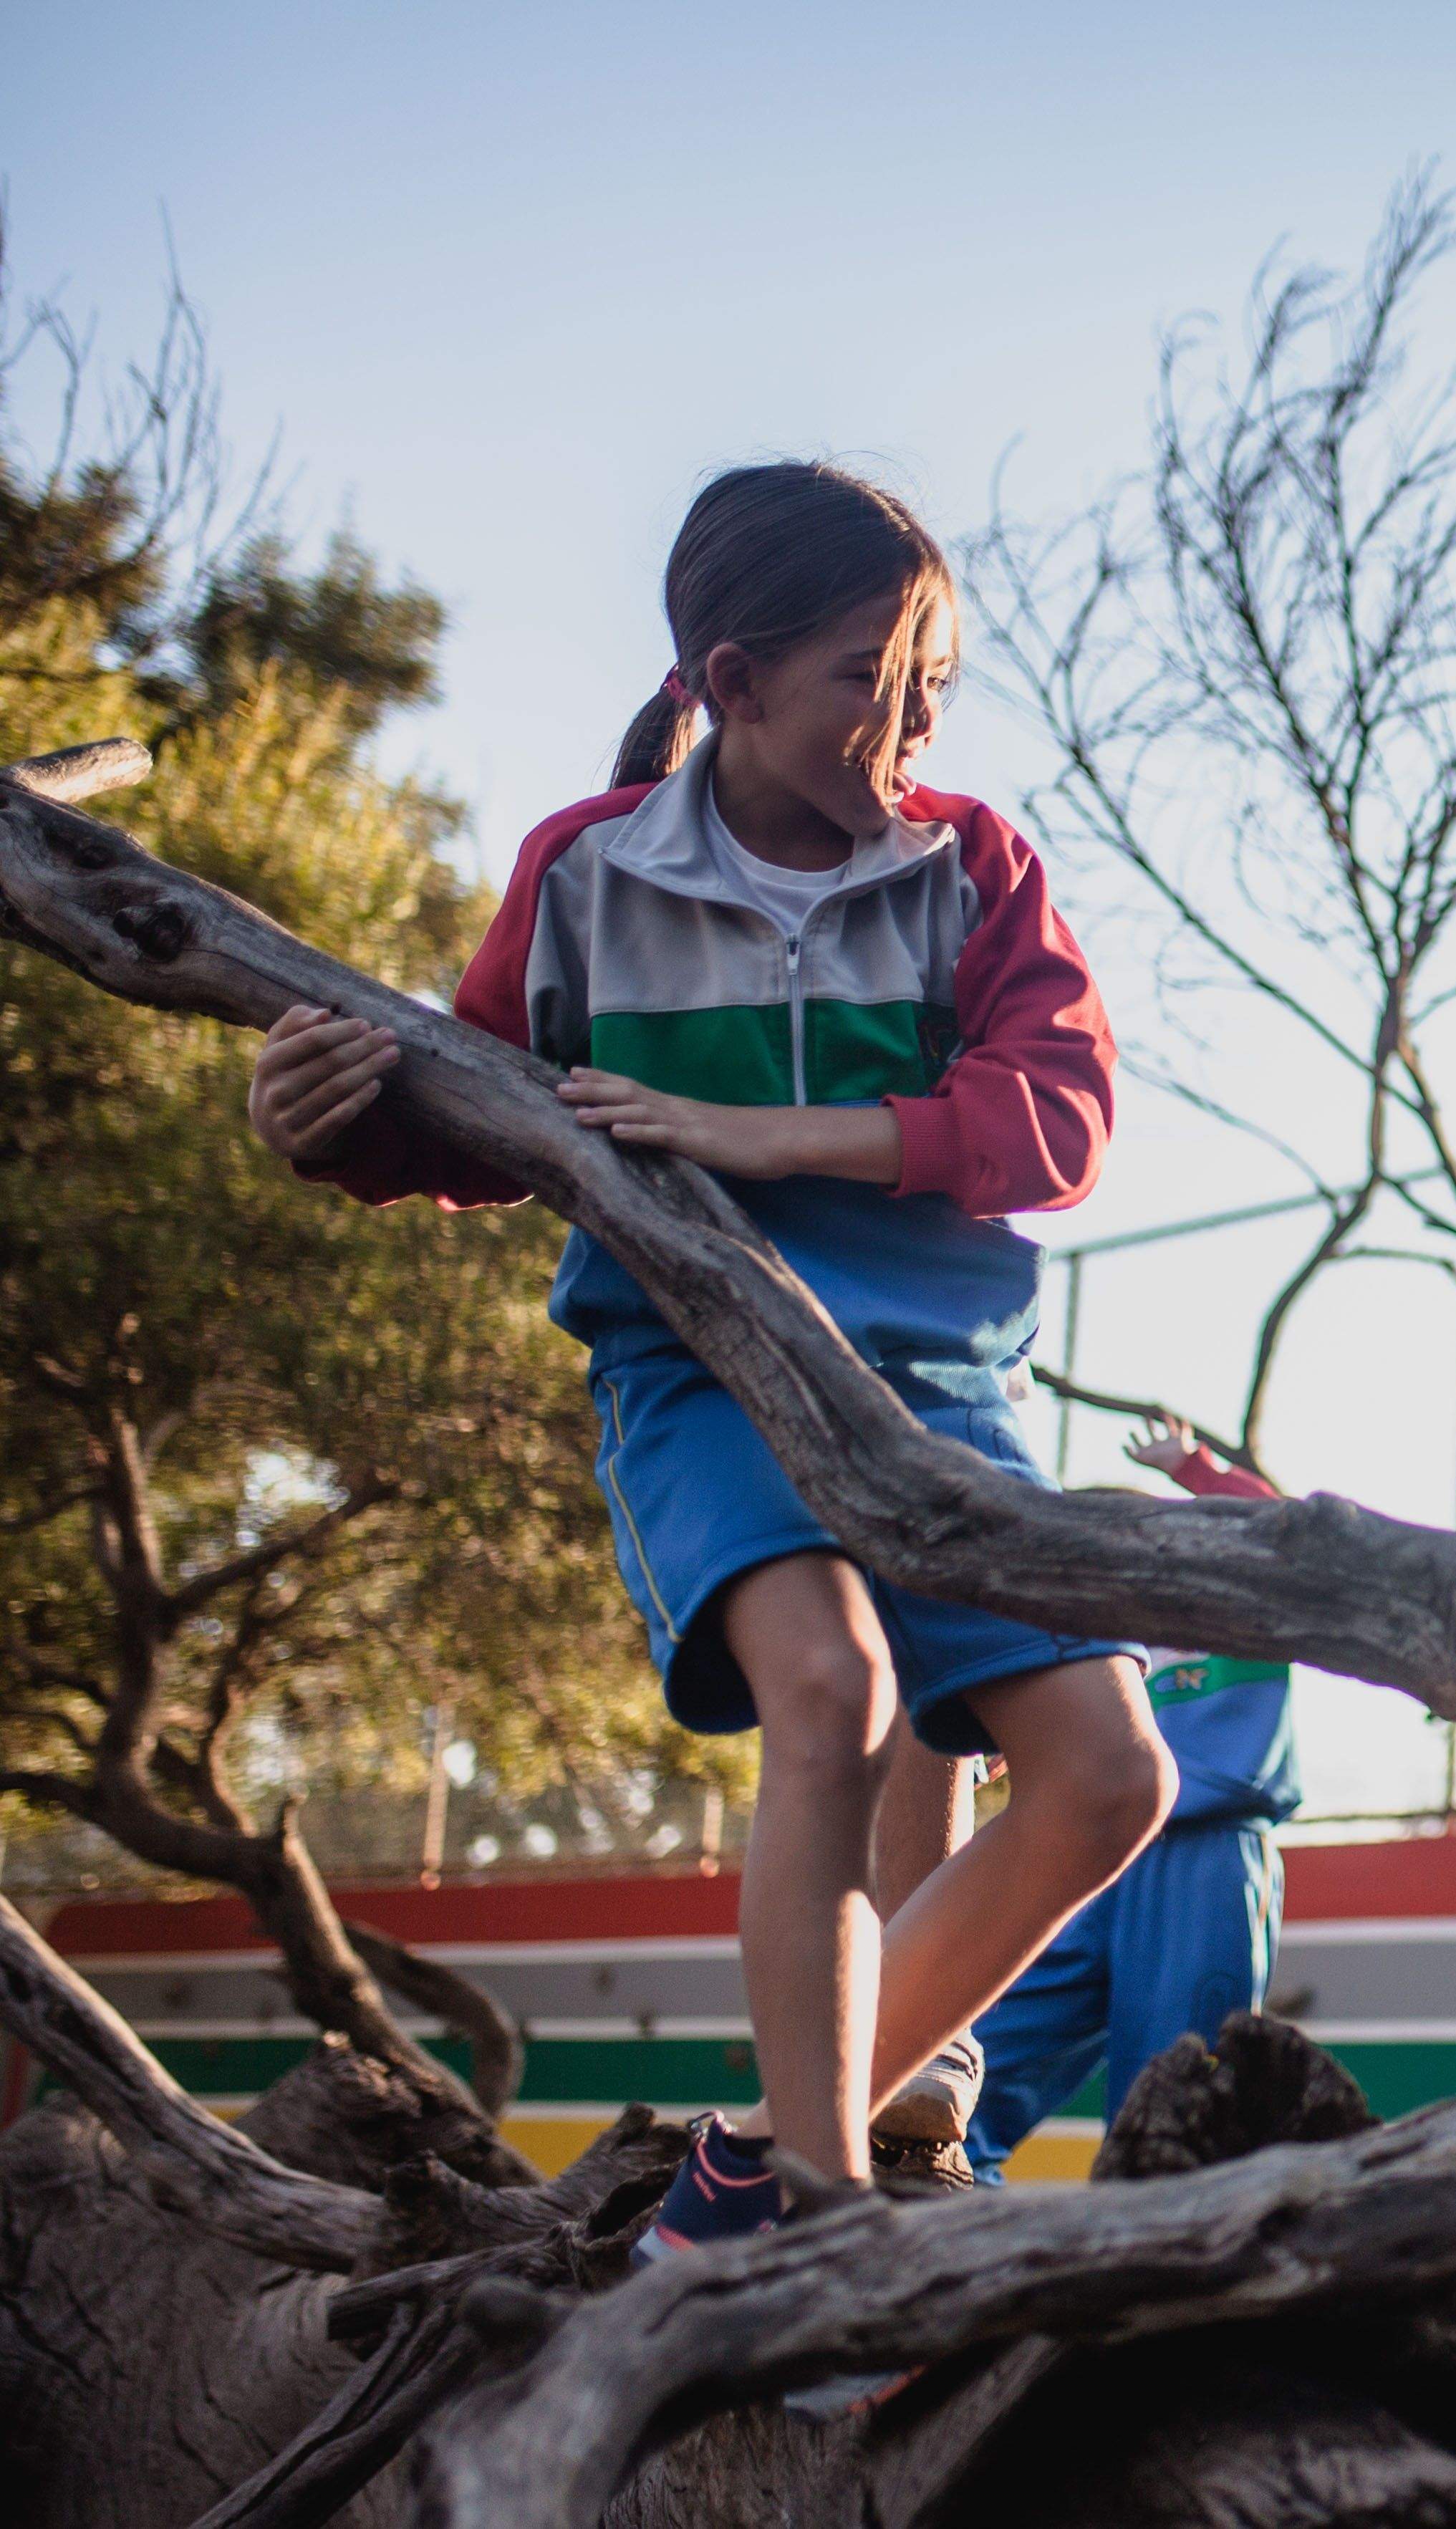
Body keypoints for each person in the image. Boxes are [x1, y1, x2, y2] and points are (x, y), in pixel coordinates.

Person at [246, 462, 1175, 2263]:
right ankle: (818, 2220)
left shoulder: (968, 866)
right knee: (835, 1697)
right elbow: (474, 1111)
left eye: (930, 689)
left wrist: (775, 1136)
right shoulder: (590, 874)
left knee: (1112, 1773)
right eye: (863, 678)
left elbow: (1054, 1121)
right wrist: (327, 1127)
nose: (905, 723)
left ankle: (751, 2157)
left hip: (937, 1390)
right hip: (703, 1372)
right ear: (730, 684)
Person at [955, 1415, 1302, 2182]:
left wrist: (1195, 1469)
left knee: (1174, 2099)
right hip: (1091, 1859)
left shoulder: (1233, 1599)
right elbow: (1044, 1720)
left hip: (1206, 1856)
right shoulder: (1086, 1640)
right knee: (978, 2050)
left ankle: (1161, 2266)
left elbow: (1280, 1532)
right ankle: (937, 2189)